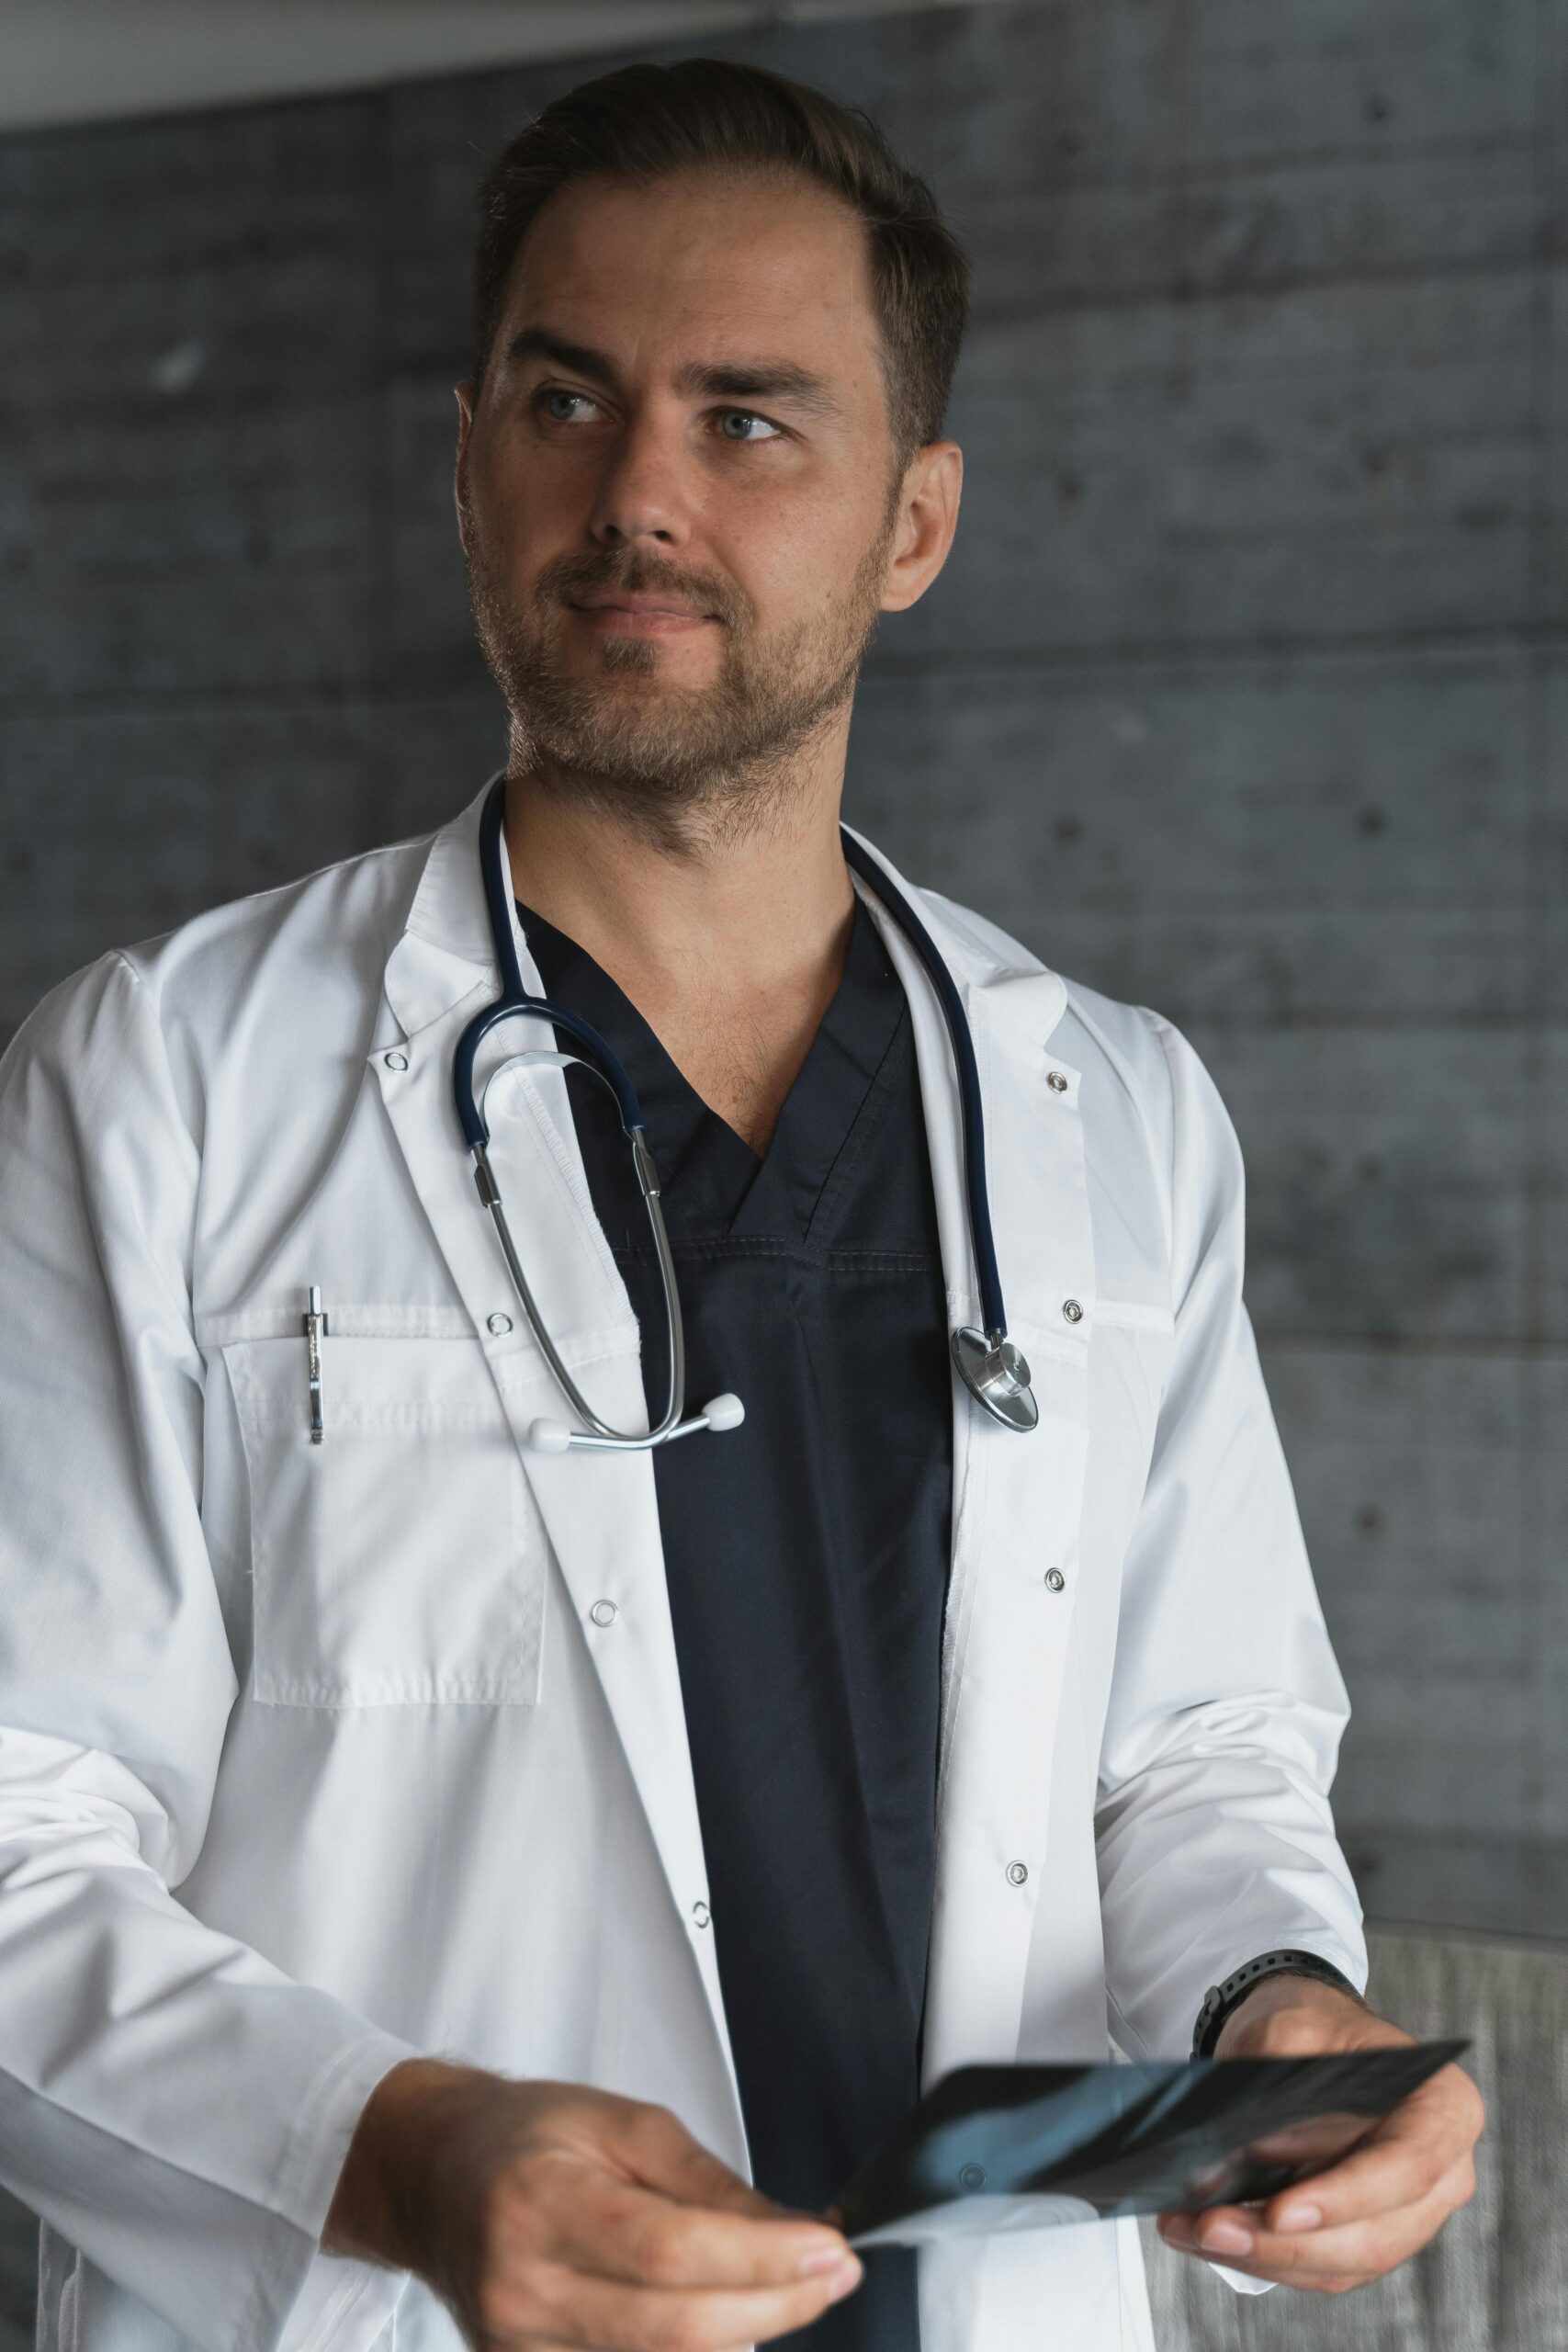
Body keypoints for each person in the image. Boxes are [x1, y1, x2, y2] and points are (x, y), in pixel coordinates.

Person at [0, 54, 1482, 2352]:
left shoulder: (1115, 1109)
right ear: (467, 457)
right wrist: (390, 2146)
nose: (638, 496)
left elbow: (1197, 1745)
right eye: (564, 400)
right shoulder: (164, 1082)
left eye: (751, 417)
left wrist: (1270, 1995)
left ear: (913, 522)